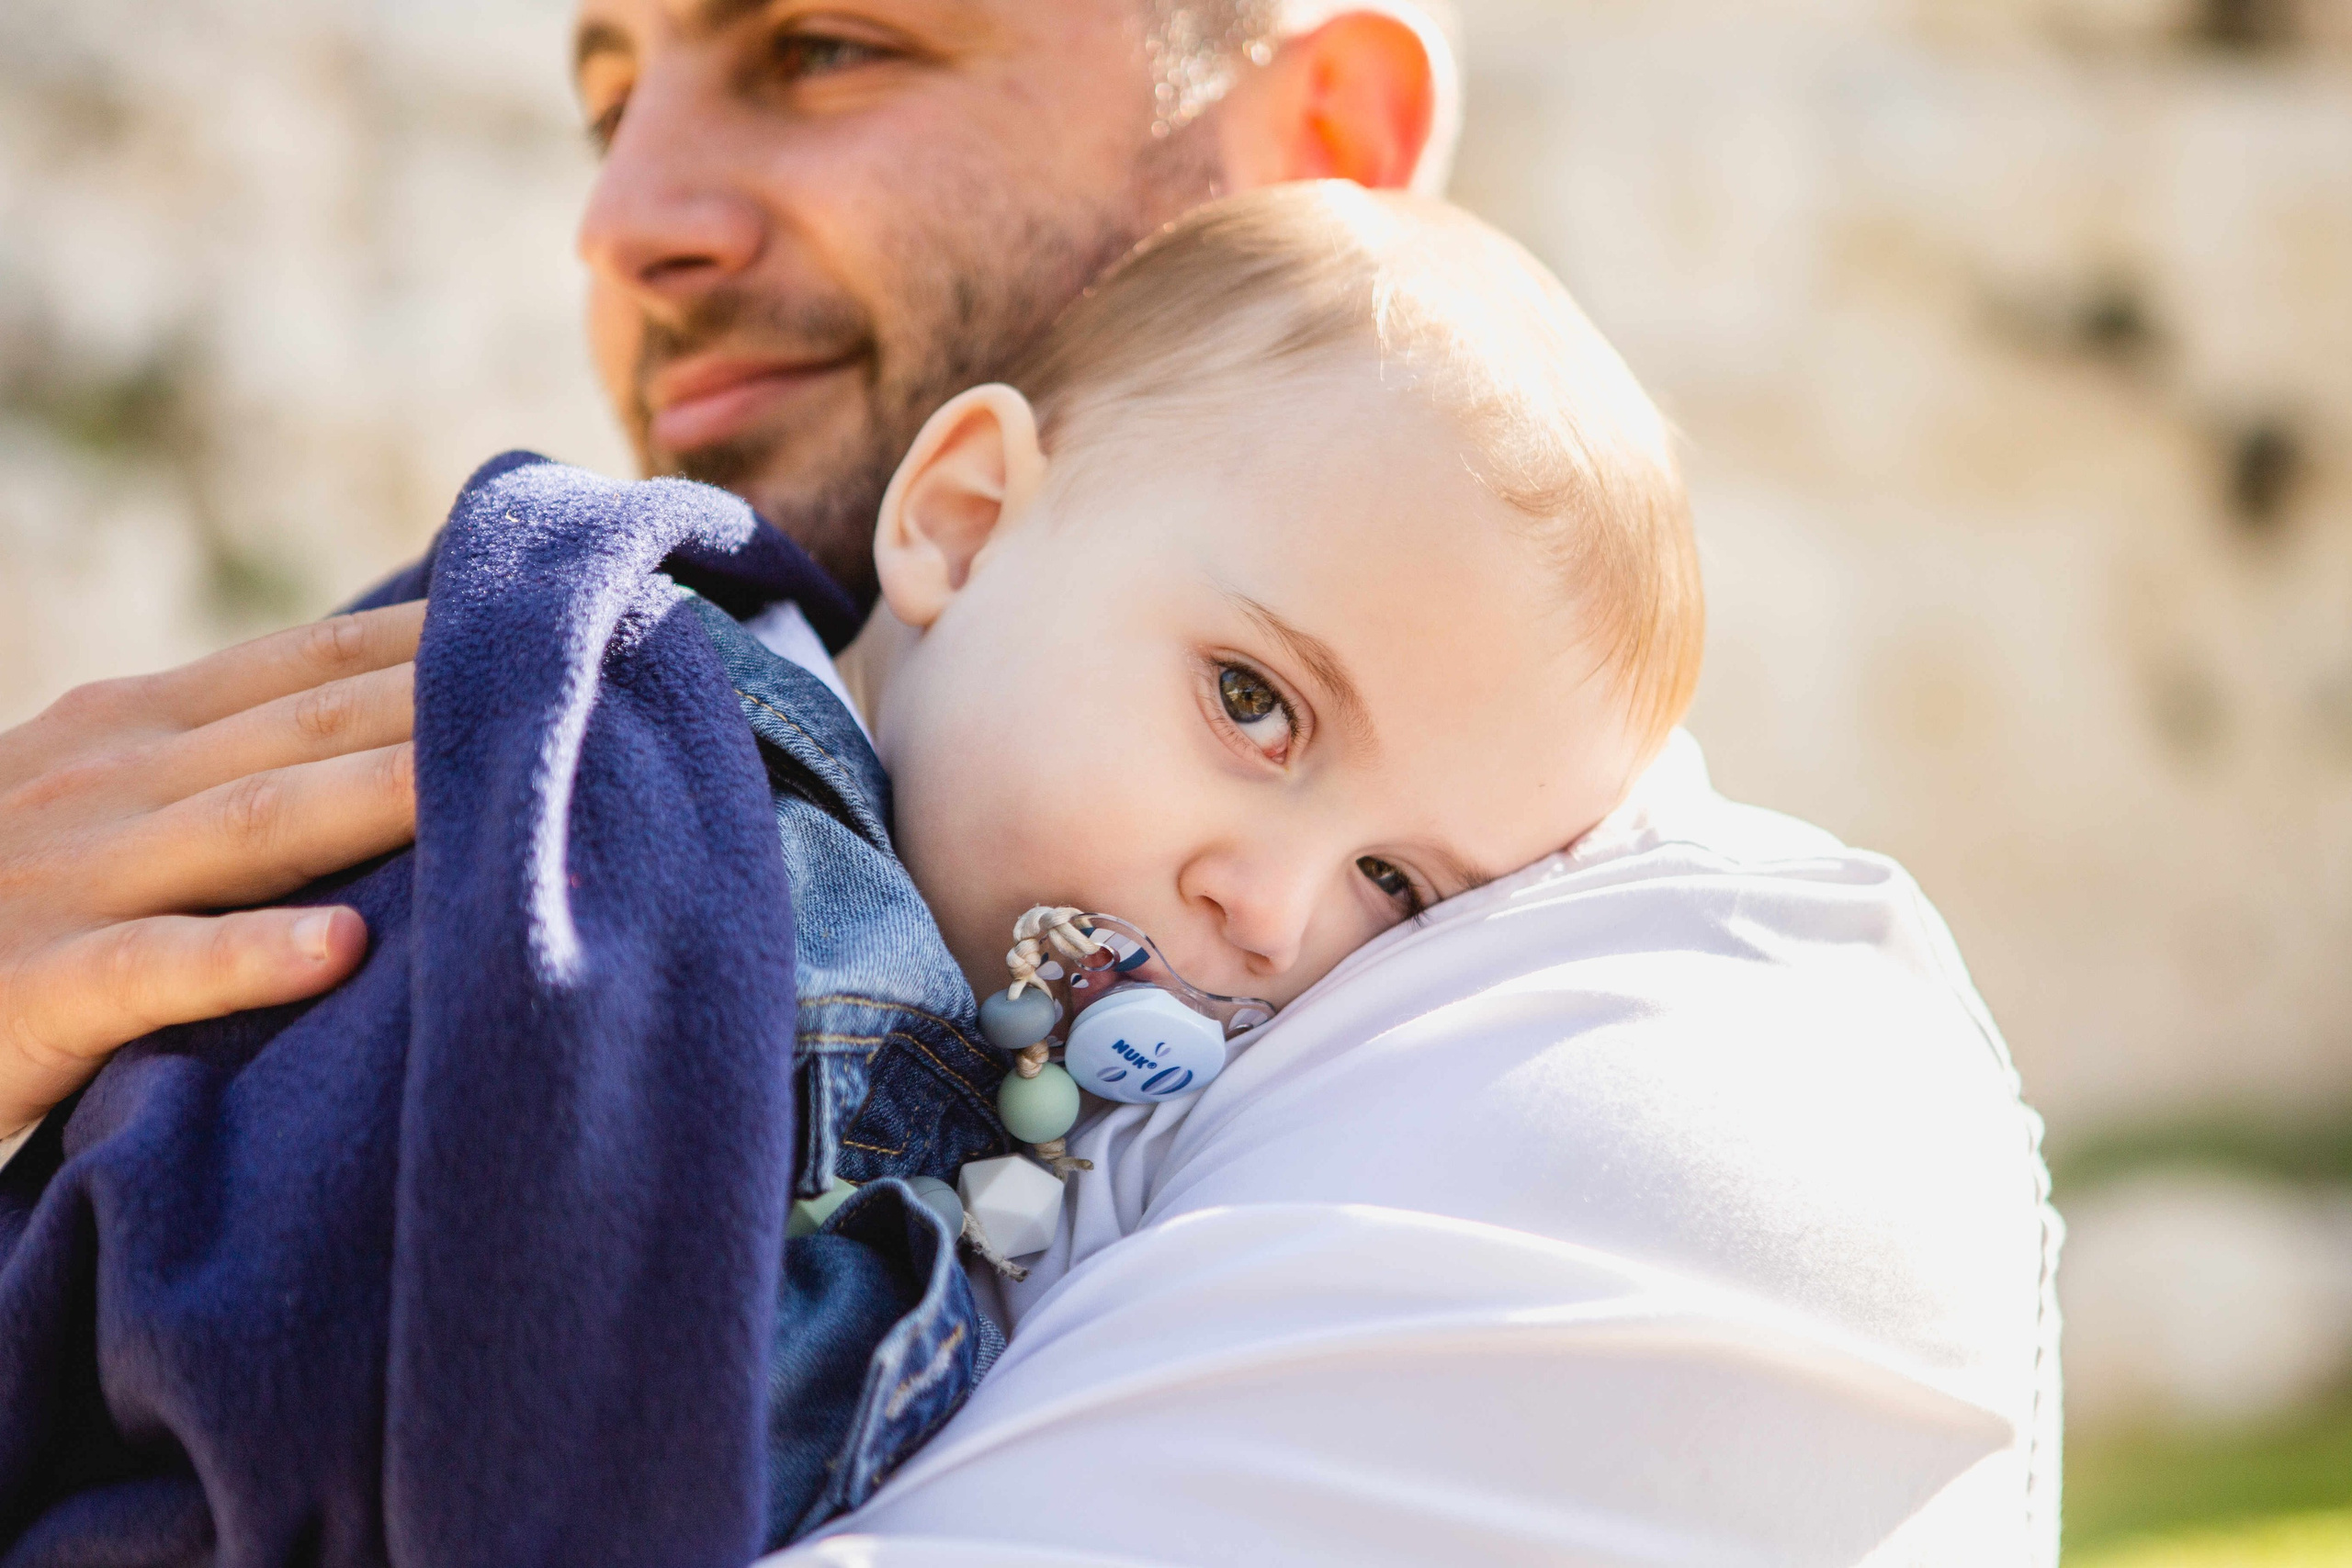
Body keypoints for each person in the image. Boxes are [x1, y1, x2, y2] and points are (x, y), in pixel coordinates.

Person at [0, 3, 2062, 1562]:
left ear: (1312, 138)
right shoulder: (534, 765)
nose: (625, 222)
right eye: (610, 92)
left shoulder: (1666, 1081)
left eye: (822, 45)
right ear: (964, 516)